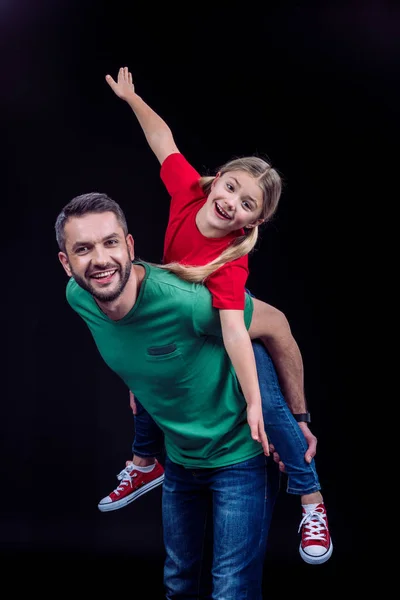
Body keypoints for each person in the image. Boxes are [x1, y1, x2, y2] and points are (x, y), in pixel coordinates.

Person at [99, 66, 333, 565]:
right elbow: (164, 140)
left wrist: (252, 401)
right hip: (182, 328)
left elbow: (233, 332)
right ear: (217, 180)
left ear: (256, 220)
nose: (230, 203)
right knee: (145, 372)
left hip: (221, 331)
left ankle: (311, 499)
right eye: (230, 188)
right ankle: (145, 463)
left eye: (246, 203)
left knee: (266, 405)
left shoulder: (232, 259)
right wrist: (132, 99)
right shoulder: (189, 193)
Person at [55, 192, 308, 597]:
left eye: (110, 242)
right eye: (83, 249)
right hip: (180, 459)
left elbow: (276, 325)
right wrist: (143, 383)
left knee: (230, 590)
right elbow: (137, 344)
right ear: (66, 263)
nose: (100, 260)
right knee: (177, 583)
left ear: (130, 246)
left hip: (240, 456)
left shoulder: (187, 301)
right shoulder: (81, 298)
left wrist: (298, 418)